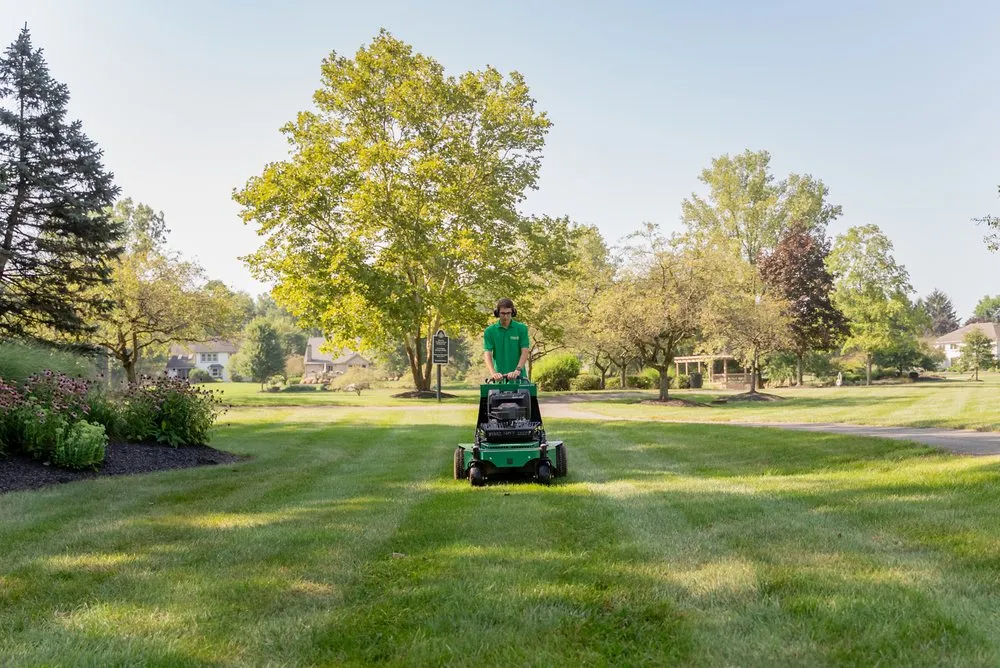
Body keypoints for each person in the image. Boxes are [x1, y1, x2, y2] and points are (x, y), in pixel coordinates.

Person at [483, 298, 530, 381]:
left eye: (508, 313)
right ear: (497, 313)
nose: (506, 316)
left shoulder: (522, 328)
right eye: (503, 313)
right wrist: (493, 373)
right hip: (499, 378)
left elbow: (525, 351)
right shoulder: (489, 331)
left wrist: (517, 371)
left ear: (513, 312)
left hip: (519, 377)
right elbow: (487, 354)